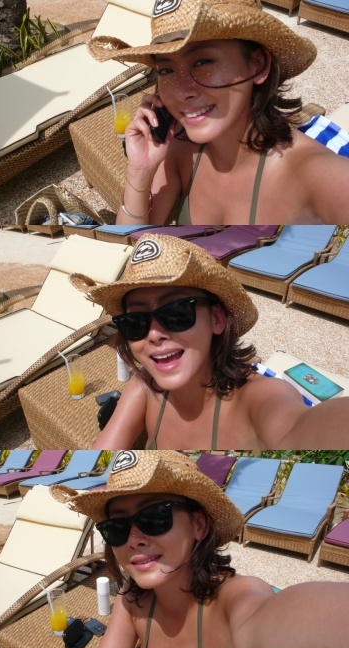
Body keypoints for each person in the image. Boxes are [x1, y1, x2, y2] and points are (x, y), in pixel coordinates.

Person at [52, 450, 349, 648]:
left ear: (198, 525)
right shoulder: (132, 601)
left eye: (154, 517)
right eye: (116, 527)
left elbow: (278, 620)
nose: (133, 540)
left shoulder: (235, 598)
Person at [70, 232, 349, 450]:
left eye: (176, 313)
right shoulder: (145, 386)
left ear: (217, 319)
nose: (153, 334)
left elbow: (297, 427)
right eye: (135, 322)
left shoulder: (258, 398)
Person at [88, 0, 349, 225]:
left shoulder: (319, 176)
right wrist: (140, 171)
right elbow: (133, 243)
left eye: (203, 62)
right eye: (166, 70)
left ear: (258, 65)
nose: (180, 92)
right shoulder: (179, 148)